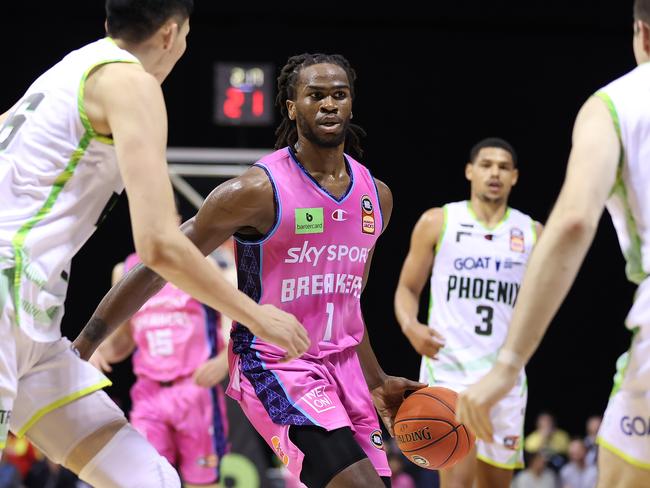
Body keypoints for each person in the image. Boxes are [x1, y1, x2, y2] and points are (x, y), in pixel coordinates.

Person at [74, 52, 425, 488]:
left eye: (339, 94)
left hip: (344, 367)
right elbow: (160, 260)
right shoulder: (255, 191)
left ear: (352, 103)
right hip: (275, 362)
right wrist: (83, 347)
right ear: (292, 107)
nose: (329, 104)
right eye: (315, 95)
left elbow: (347, 303)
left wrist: (376, 380)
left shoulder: (377, 197)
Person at [0, 1, 308, 487]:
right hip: (7, 291)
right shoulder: (133, 82)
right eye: (185, 36)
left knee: (149, 479)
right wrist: (258, 316)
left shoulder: (65, 71)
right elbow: (160, 245)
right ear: (170, 34)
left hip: (33, 321)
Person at [456, 1, 650, 486]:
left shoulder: (618, 103)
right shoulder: (441, 222)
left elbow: (572, 224)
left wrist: (509, 364)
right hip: (451, 362)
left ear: (642, 34)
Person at [394, 138, 542, 488]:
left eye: (504, 167)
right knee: (456, 478)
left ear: (515, 177)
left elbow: (541, 306)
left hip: (503, 374)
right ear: (470, 171)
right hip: (450, 369)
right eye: (487, 164)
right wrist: (410, 325)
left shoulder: (532, 232)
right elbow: (407, 289)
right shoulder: (439, 220)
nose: (495, 173)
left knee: (495, 483)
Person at [89, 226, 230, 487]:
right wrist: (96, 349)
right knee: (146, 477)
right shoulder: (126, 270)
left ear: (177, 220)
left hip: (194, 390)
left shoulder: (202, 263)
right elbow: (124, 339)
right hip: (149, 392)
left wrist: (223, 362)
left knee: (202, 481)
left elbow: (238, 318)